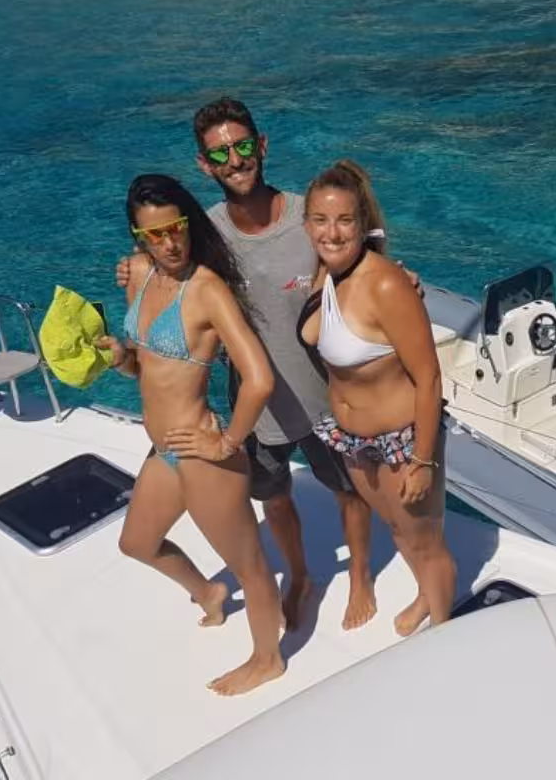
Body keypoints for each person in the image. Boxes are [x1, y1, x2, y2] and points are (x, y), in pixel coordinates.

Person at [117, 98, 378, 631]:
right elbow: (169, 268)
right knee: (275, 501)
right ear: (204, 165)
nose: (234, 161)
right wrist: (136, 265)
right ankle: (301, 575)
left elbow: (359, 256)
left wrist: (399, 277)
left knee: (350, 492)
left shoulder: (309, 218)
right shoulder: (204, 234)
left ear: (262, 146)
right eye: (220, 154)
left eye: (241, 147)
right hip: (256, 411)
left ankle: (360, 577)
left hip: (326, 398)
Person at [97, 173, 284, 696]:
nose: (169, 243)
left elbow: (260, 378)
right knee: (137, 542)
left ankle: (268, 659)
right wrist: (119, 358)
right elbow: (145, 367)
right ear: (138, 237)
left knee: (250, 566)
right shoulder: (138, 275)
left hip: (205, 459)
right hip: (164, 451)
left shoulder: (207, 289)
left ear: (189, 223)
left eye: (176, 228)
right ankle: (207, 592)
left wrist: (227, 443)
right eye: (153, 235)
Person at [296, 159, 456, 636]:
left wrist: (422, 461)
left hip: (401, 442)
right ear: (306, 225)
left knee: (424, 544)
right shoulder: (324, 275)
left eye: (345, 220)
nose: (332, 232)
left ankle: (447, 637)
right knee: (399, 530)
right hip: (352, 441)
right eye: (320, 220)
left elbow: (428, 377)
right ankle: (428, 598)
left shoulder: (386, 284)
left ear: (363, 224)